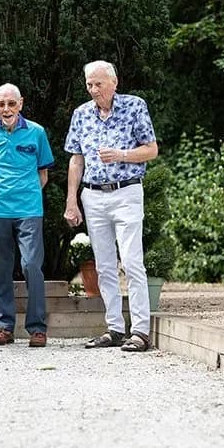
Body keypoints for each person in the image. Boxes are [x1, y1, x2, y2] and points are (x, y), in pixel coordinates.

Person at [63, 60, 159, 352]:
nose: (94, 90)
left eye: (99, 84)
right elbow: (76, 159)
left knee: (131, 260)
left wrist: (122, 154)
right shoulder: (81, 114)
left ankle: (140, 331)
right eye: (89, 84)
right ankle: (115, 328)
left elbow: (151, 150)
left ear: (114, 83)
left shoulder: (134, 106)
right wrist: (72, 200)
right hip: (93, 196)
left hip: (126, 192)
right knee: (104, 266)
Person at [0, 83, 54, 347]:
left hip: (29, 209)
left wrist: (25, 194)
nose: (6, 109)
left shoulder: (37, 132)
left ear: (21, 104)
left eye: (11, 104)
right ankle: (4, 327)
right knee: (2, 268)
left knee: (31, 265)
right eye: (0, 104)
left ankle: (37, 328)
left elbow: (43, 175)